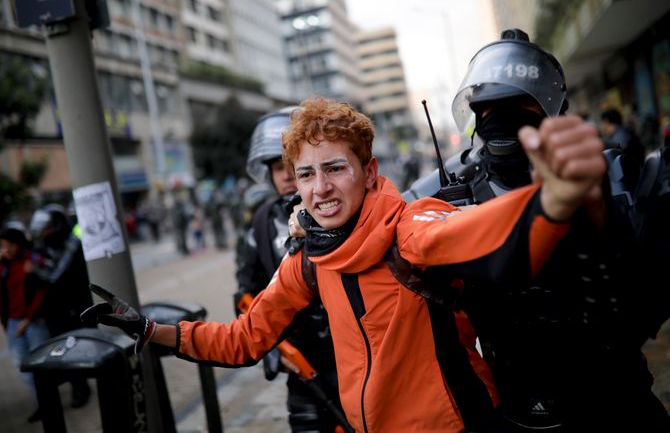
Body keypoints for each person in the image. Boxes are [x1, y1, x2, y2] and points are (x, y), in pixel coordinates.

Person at [82, 96, 606, 433]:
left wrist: (551, 202)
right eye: (306, 174)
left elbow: (479, 234)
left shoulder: (411, 226)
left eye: (335, 168)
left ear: (368, 170)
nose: (320, 188)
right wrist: (150, 330)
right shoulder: (310, 257)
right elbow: (244, 339)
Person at [405, 29, 670, 432]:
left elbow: (637, 287)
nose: (503, 123)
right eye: (490, 110)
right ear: (476, 114)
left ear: (549, 111)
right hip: (513, 405)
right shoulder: (442, 193)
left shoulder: (601, 172)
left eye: (518, 107)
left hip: (615, 395)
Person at [235, 106, 346, 432]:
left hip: (355, 359)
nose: (284, 174)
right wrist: (270, 347)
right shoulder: (258, 225)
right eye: (274, 166)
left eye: (288, 162)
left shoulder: (336, 208)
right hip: (303, 370)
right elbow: (245, 294)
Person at [30, 204, 92, 409]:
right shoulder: (45, 248)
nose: (45, 233)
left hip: (73, 308)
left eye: (48, 228)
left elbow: (62, 277)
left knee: (74, 346)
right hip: (54, 311)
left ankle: (81, 387)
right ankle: (75, 382)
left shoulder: (74, 245)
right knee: (61, 350)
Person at [0, 224, 50, 423]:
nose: (7, 249)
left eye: (11, 245)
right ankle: (44, 402)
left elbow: (41, 293)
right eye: (3, 245)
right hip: (13, 322)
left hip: (34, 320)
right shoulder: (3, 266)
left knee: (42, 364)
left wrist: (27, 319)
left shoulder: (32, 262)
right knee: (21, 365)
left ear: (19, 244)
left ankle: (48, 404)